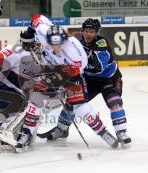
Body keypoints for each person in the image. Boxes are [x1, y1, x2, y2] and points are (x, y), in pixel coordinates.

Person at [39, 18, 131, 146]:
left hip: (109, 78)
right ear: (82, 31)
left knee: (114, 102)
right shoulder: (77, 43)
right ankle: (62, 129)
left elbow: (100, 66)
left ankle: (121, 132)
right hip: (89, 79)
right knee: (72, 102)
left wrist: (86, 54)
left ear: (97, 32)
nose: (89, 34)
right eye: (86, 31)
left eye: (92, 32)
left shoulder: (101, 43)